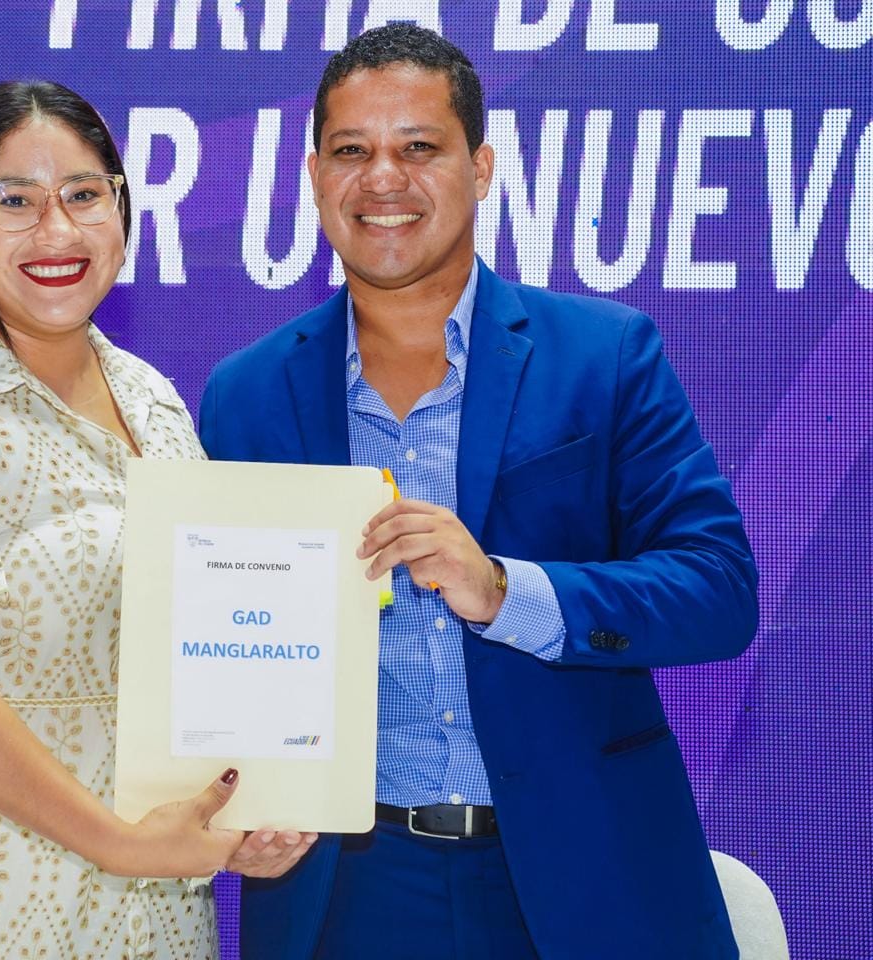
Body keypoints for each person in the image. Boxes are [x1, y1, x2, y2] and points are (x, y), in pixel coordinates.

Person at [199, 24, 758, 960]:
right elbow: (217, 649)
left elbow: (719, 591)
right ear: (315, 175)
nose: (383, 178)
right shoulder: (245, 394)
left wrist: (505, 591)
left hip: (583, 877)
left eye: (419, 146)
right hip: (345, 889)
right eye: (352, 151)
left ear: (481, 166)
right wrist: (230, 798)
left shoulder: (606, 356)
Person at [0, 80, 312, 960]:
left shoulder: (153, 400)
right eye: (15, 201)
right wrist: (121, 843)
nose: (57, 231)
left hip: (153, 920)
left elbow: (203, 652)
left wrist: (245, 807)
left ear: (121, 211)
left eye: (84, 195)